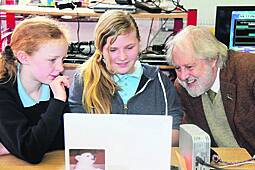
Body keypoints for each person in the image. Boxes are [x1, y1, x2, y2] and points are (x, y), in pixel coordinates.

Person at [68, 10, 183, 146]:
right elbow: (78, 135)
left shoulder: (160, 82)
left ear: (139, 43)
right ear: (100, 49)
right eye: (113, 50)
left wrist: (137, 144)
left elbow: (175, 132)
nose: (122, 57)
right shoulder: (84, 80)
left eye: (129, 47)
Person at [166, 25, 255, 155]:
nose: (183, 76)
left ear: (213, 59)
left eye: (189, 67)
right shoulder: (182, 88)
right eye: (178, 68)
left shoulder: (249, 71)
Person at [0, 16, 70, 163]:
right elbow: (32, 152)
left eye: (63, 59)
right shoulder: (4, 93)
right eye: (52, 60)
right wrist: (57, 102)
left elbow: (68, 139)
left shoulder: (56, 84)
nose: (60, 68)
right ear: (24, 58)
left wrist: (13, 146)